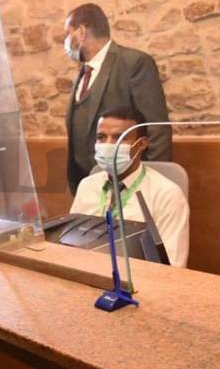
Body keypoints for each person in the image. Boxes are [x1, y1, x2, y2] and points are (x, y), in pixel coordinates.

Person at [63, 3, 172, 195]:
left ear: (81, 33)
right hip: (90, 187)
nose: (65, 41)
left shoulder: (134, 63)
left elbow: (156, 128)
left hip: (129, 184)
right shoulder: (84, 72)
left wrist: (150, 185)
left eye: (67, 33)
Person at [70, 107, 189, 267]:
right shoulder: (87, 185)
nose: (108, 145)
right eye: (101, 137)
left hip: (140, 279)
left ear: (141, 144)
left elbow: (173, 266)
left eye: (119, 138)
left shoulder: (167, 194)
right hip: (85, 273)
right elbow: (69, 247)